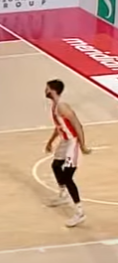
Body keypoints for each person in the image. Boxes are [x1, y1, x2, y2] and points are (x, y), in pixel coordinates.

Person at [44, 79, 91, 227]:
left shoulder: (62, 107)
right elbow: (59, 127)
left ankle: (80, 212)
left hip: (72, 142)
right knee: (56, 166)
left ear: (53, 90)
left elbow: (77, 125)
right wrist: (51, 141)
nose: (45, 91)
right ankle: (63, 194)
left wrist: (82, 145)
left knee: (67, 176)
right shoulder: (55, 106)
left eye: (47, 88)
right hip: (65, 141)